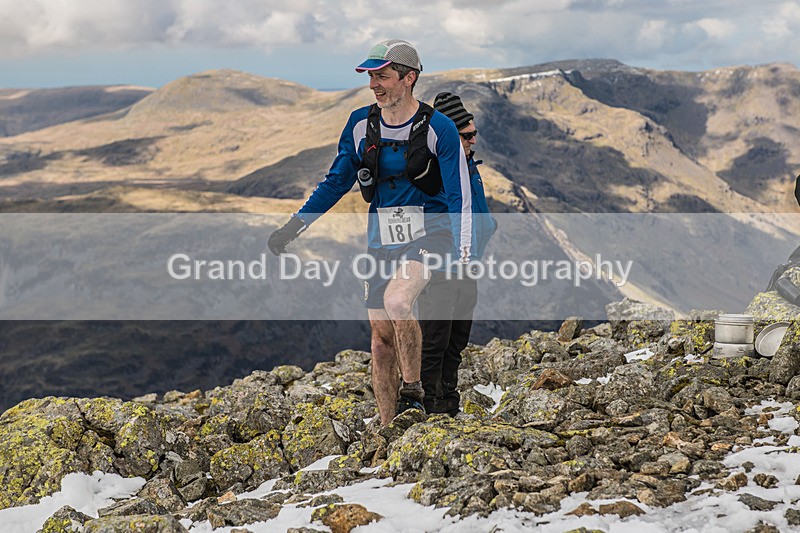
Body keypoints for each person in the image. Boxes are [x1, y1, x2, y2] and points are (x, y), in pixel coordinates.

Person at [267, 40, 475, 425]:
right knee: (380, 341)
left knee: (399, 302)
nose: (374, 85)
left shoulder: (439, 128)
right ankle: (387, 426)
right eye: (370, 77)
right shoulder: (361, 124)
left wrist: (463, 254)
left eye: (382, 76)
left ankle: (412, 394)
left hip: (431, 235)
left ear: (409, 78)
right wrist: (294, 226)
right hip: (381, 242)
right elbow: (336, 181)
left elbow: (459, 196)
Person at [418, 92, 496, 417]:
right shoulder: (433, 169)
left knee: (456, 340)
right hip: (441, 267)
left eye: (474, 133)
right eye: (466, 135)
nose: (473, 140)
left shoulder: (469, 166)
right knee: (435, 340)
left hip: (467, 266)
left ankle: (448, 405)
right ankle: (427, 407)